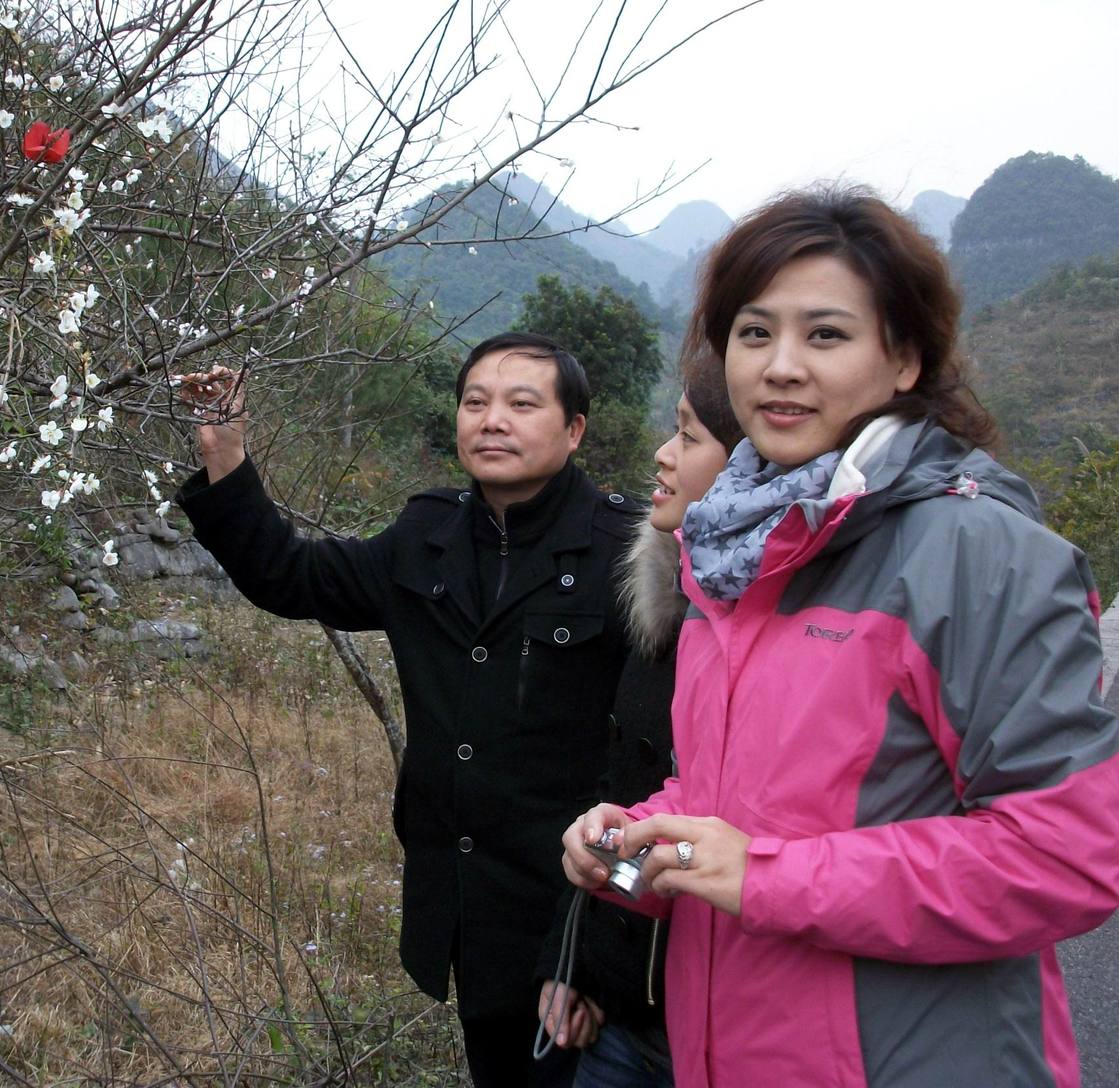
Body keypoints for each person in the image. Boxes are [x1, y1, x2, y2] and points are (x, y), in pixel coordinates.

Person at [560, 186, 1119, 1087]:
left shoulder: (978, 554)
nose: (779, 366)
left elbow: (1065, 855)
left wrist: (762, 875)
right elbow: (744, 799)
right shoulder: (730, 551)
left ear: (902, 359)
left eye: (824, 335)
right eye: (752, 333)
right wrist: (645, 835)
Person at [174, 332, 643, 1087]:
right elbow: (291, 577)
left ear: (574, 429)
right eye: (475, 402)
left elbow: (649, 772)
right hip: (466, 911)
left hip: (572, 917)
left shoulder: (625, 556)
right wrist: (224, 451)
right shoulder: (426, 535)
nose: (492, 420)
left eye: (522, 405)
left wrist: (591, 955)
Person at [536, 354, 742, 1088]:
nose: (661, 453)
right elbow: (621, 793)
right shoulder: (670, 614)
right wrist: (576, 959)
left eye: (687, 436)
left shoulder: (784, 638)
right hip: (628, 1010)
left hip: (742, 1016)